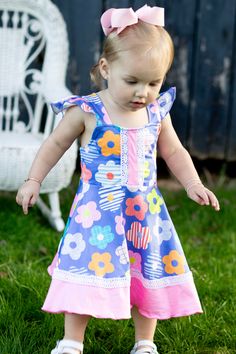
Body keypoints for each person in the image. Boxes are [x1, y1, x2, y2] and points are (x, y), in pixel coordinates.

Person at [16, 5, 220, 354]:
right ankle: (71, 341)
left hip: (144, 211)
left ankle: (145, 342)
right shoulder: (88, 110)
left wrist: (193, 183)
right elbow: (55, 143)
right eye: (133, 81)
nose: (143, 92)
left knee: (147, 272)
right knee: (86, 270)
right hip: (96, 213)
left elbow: (174, 152)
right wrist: (34, 179)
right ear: (107, 69)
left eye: (153, 82)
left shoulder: (156, 112)